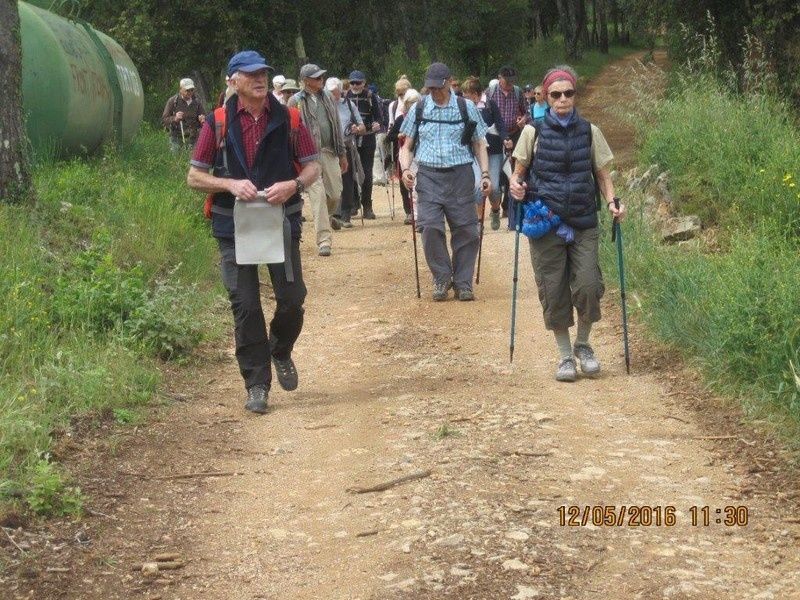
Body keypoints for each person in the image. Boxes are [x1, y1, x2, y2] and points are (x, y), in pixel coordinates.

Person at [186, 50, 320, 414]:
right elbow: (194, 176)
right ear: (233, 81)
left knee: (292, 298)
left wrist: (293, 184)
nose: (260, 79)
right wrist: (229, 184)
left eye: (263, 73)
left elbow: (313, 167)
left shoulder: (290, 119)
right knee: (245, 306)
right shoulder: (216, 122)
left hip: (281, 221)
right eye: (250, 74)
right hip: (233, 226)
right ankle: (257, 384)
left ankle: (280, 348)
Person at [509, 65, 626, 382]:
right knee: (554, 289)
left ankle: (584, 345)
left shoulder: (590, 131)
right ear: (545, 97)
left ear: (575, 95)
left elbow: (603, 175)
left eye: (568, 93)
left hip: (584, 220)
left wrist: (613, 202)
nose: (562, 99)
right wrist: (516, 187)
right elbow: (518, 175)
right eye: (555, 94)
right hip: (545, 221)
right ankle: (564, 356)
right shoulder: (532, 131)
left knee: (588, 285)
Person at [398, 62, 491, 302]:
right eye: (430, 88)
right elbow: (406, 147)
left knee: (467, 230)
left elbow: (480, 143)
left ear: (449, 82)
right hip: (428, 175)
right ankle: (441, 277)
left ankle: (463, 282)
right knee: (429, 227)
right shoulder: (419, 108)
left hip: (460, 175)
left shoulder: (466, 107)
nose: (434, 93)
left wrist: (485, 174)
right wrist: (406, 169)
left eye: (438, 88)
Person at [288, 63, 348, 257]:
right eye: (316, 77)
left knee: (336, 194)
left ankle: (327, 217)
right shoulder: (295, 101)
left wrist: (342, 154)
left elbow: (337, 126)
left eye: (321, 76)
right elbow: (290, 131)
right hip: (308, 157)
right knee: (318, 195)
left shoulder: (328, 97)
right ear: (306, 81)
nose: (321, 79)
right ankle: (324, 240)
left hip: (329, 151)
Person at [461, 75, 507, 230]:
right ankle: (479, 220)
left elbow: (500, 122)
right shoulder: (465, 107)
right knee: (477, 185)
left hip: (493, 150)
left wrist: (505, 138)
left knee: (493, 186)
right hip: (474, 152)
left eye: (467, 95)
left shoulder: (490, 104)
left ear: (475, 93)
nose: (465, 98)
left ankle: (495, 210)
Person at [486, 65, 529, 228]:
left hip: (515, 134)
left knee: (514, 171)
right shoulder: (490, 92)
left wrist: (523, 120)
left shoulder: (517, 92)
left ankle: (510, 212)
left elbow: (527, 112)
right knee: (497, 173)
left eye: (512, 81)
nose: (510, 84)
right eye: (507, 81)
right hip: (495, 137)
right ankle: (496, 206)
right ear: (499, 78)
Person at [325, 76, 365, 228]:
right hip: (328, 148)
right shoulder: (323, 106)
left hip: (346, 145)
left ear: (340, 91)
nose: (331, 95)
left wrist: (357, 128)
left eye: (334, 92)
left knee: (347, 181)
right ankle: (333, 214)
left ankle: (345, 214)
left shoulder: (348, 105)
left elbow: (362, 127)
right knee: (331, 180)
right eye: (329, 92)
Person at [346, 70, 383, 219]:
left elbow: (380, 118)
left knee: (367, 173)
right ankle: (354, 204)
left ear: (364, 82)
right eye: (352, 82)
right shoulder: (344, 97)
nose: (355, 85)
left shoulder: (370, 96)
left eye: (358, 82)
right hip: (349, 139)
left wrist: (377, 124)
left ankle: (367, 205)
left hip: (367, 138)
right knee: (350, 171)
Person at [162, 78, 206, 152]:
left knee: (193, 160)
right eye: (187, 90)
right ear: (180, 89)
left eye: (192, 90)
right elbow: (164, 120)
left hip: (193, 137)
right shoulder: (173, 101)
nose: (190, 92)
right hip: (176, 137)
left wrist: (202, 119)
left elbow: (204, 118)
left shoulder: (197, 102)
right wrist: (175, 118)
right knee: (176, 159)